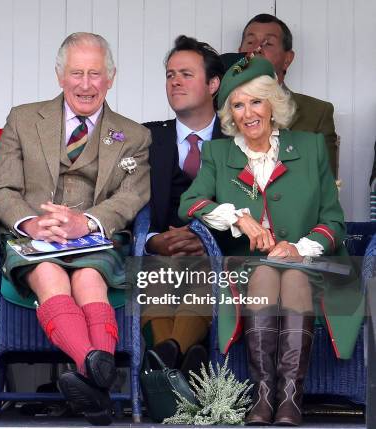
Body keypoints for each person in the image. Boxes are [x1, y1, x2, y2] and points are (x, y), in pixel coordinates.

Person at [179, 56, 362, 426]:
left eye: (256, 101)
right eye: (238, 105)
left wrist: (299, 248)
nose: (248, 113)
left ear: (272, 103)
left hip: (310, 266)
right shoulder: (219, 153)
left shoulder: (309, 149)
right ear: (230, 112)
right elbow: (190, 203)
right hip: (249, 268)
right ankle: (266, 395)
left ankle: (289, 397)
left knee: (292, 274)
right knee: (264, 275)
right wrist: (239, 218)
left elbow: (333, 221)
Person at [0, 32, 151, 425]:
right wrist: (31, 222)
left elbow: (133, 196)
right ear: (60, 75)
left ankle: (90, 377)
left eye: (95, 74)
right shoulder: (23, 119)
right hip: (34, 238)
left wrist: (88, 222)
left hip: (95, 238)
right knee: (48, 275)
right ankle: (99, 372)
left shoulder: (134, 134)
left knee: (90, 280)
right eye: (77, 73)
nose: (85, 84)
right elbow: (0, 188)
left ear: (111, 78)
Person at [141, 35, 225, 376]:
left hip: (217, 254)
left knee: (204, 270)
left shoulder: (239, 141)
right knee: (155, 273)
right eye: (170, 74)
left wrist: (206, 240)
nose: (175, 81)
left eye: (186, 74)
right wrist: (153, 240)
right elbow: (127, 203)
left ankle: (164, 369)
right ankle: (182, 358)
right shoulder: (144, 138)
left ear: (213, 83)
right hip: (157, 253)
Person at [239, 13, 339, 177]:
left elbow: (327, 184)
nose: (256, 49)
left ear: (288, 59)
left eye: (268, 43)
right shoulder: (220, 107)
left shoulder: (318, 113)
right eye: (250, 42)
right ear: (238, 53)